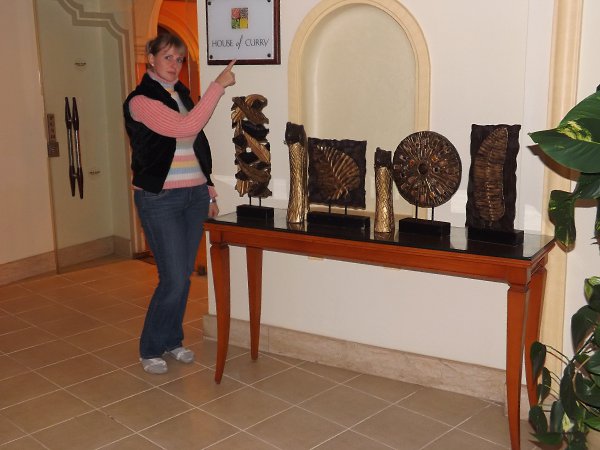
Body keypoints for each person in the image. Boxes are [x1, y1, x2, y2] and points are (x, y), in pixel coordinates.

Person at [123, 33, 236, 374]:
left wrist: (208, 189)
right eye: (168, 57)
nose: (175, 65)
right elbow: (185, 127)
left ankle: (172, 340)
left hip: (194, 195)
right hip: (160, 198)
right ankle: (150, 348)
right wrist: (217, 86)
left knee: (183, 276)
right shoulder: (140, 101)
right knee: (172, 277)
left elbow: (195, 146)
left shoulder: (181, 95)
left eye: (180, 59)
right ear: (151, 58)